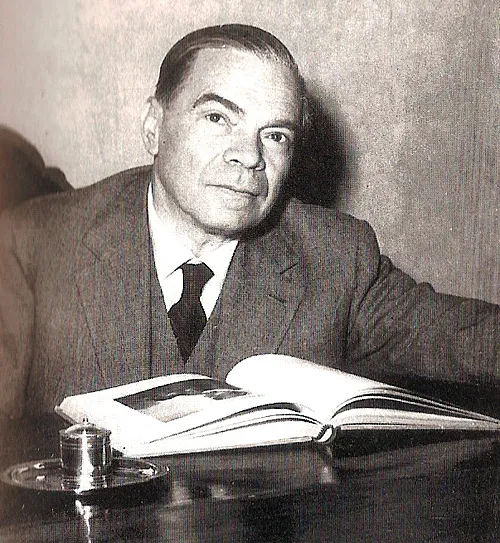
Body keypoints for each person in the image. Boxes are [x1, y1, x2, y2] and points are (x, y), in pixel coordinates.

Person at [0, 24, 499, 420]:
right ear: (154, 124)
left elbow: (466, 339)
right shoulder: (33, 246)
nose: (250, 155)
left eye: (275, 135)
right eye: (218, 118)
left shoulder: (336, 258)